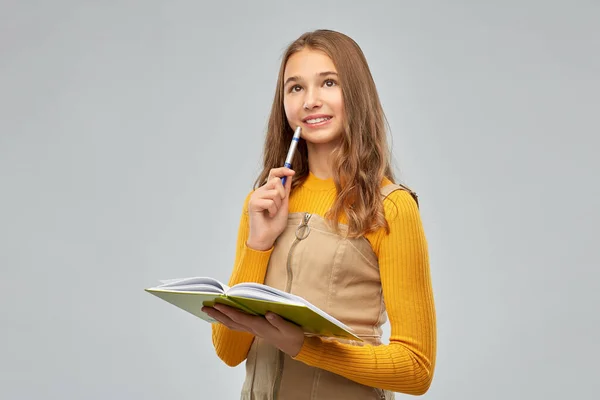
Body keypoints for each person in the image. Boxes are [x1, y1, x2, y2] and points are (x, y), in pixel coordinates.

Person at [202, 29, 436, 399]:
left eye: (328, 83)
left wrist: (305, 347)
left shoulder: (390, 206)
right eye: (295, 88)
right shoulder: (265, 203)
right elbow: (229, 352)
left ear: (356, 95)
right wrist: (258, 243)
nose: (310, 101)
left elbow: (416, 369)